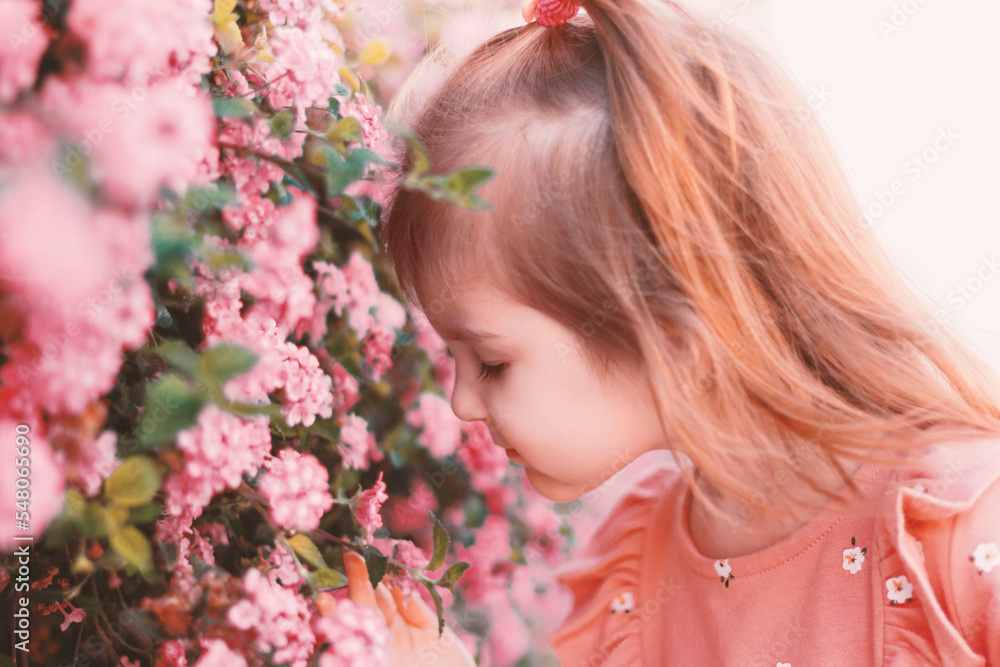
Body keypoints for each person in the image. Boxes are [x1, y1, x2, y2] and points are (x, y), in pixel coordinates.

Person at [341, 0, 1000, 664]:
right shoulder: (631, 575)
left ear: (674, 334)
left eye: (491, 360)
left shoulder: (957, 537)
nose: (464, 403)